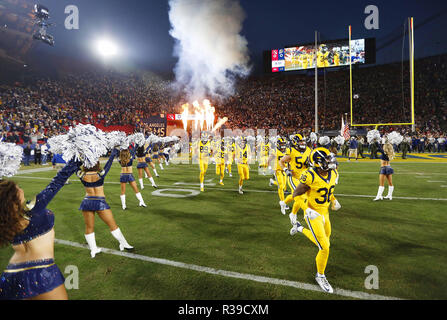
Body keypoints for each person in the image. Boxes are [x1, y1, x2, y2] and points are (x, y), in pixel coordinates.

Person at [0, 160, 80, 300]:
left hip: (11, 274)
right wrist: (77, 160)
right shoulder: (34, 209)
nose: (20, 189)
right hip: (41, 271)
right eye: (16, 189)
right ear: (11, 200)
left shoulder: (5, 223)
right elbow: (57, 182)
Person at [290, 148, 341, 293]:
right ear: (318, 163)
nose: (331, 161)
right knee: (324, 247)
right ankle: (320, 275)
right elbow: (296, 194)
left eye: (330, 158)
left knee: (326, 241)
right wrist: (306, 208)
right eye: (327, 160)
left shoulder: (334, 172)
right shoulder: (309, 175)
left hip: (325, 212)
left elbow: (327, 189)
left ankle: (299, 228)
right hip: (313, 214)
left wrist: (333, 199)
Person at [77, 149, 134, 258]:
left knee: (89, 227)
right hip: (99, 202)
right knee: (113, 225)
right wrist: (113, 153)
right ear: (96, 163)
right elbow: (109, 163)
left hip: (87, 202)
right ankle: (125, 244)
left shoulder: (81, 174)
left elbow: (74, 166)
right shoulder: (100, 174)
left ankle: (93, 250)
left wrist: (81, 157)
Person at [279, 134, 311, 228]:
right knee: (301, 196)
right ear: (295, 142)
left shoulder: (308, 150)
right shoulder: (291, 151)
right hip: (294, 178)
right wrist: (285, 170)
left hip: (305, 177)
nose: (303, 143)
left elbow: (310, 161)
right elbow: (281, 161)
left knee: (296, 196)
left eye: (304, 141)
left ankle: (285, 205)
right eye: (301, 141)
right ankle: (307, 213)